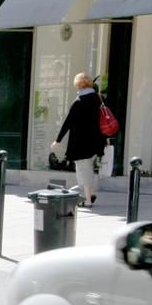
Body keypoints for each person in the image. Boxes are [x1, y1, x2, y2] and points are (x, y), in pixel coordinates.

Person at [53, 72, 106, 207]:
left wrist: (58, 140)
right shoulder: (98, 99)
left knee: (84, 169)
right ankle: (91, 193)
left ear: (78, 85)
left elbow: (68, 122)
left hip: (81, 142)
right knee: (84, 167)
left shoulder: (79, 101)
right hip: (96, 141)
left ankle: (87, 200)